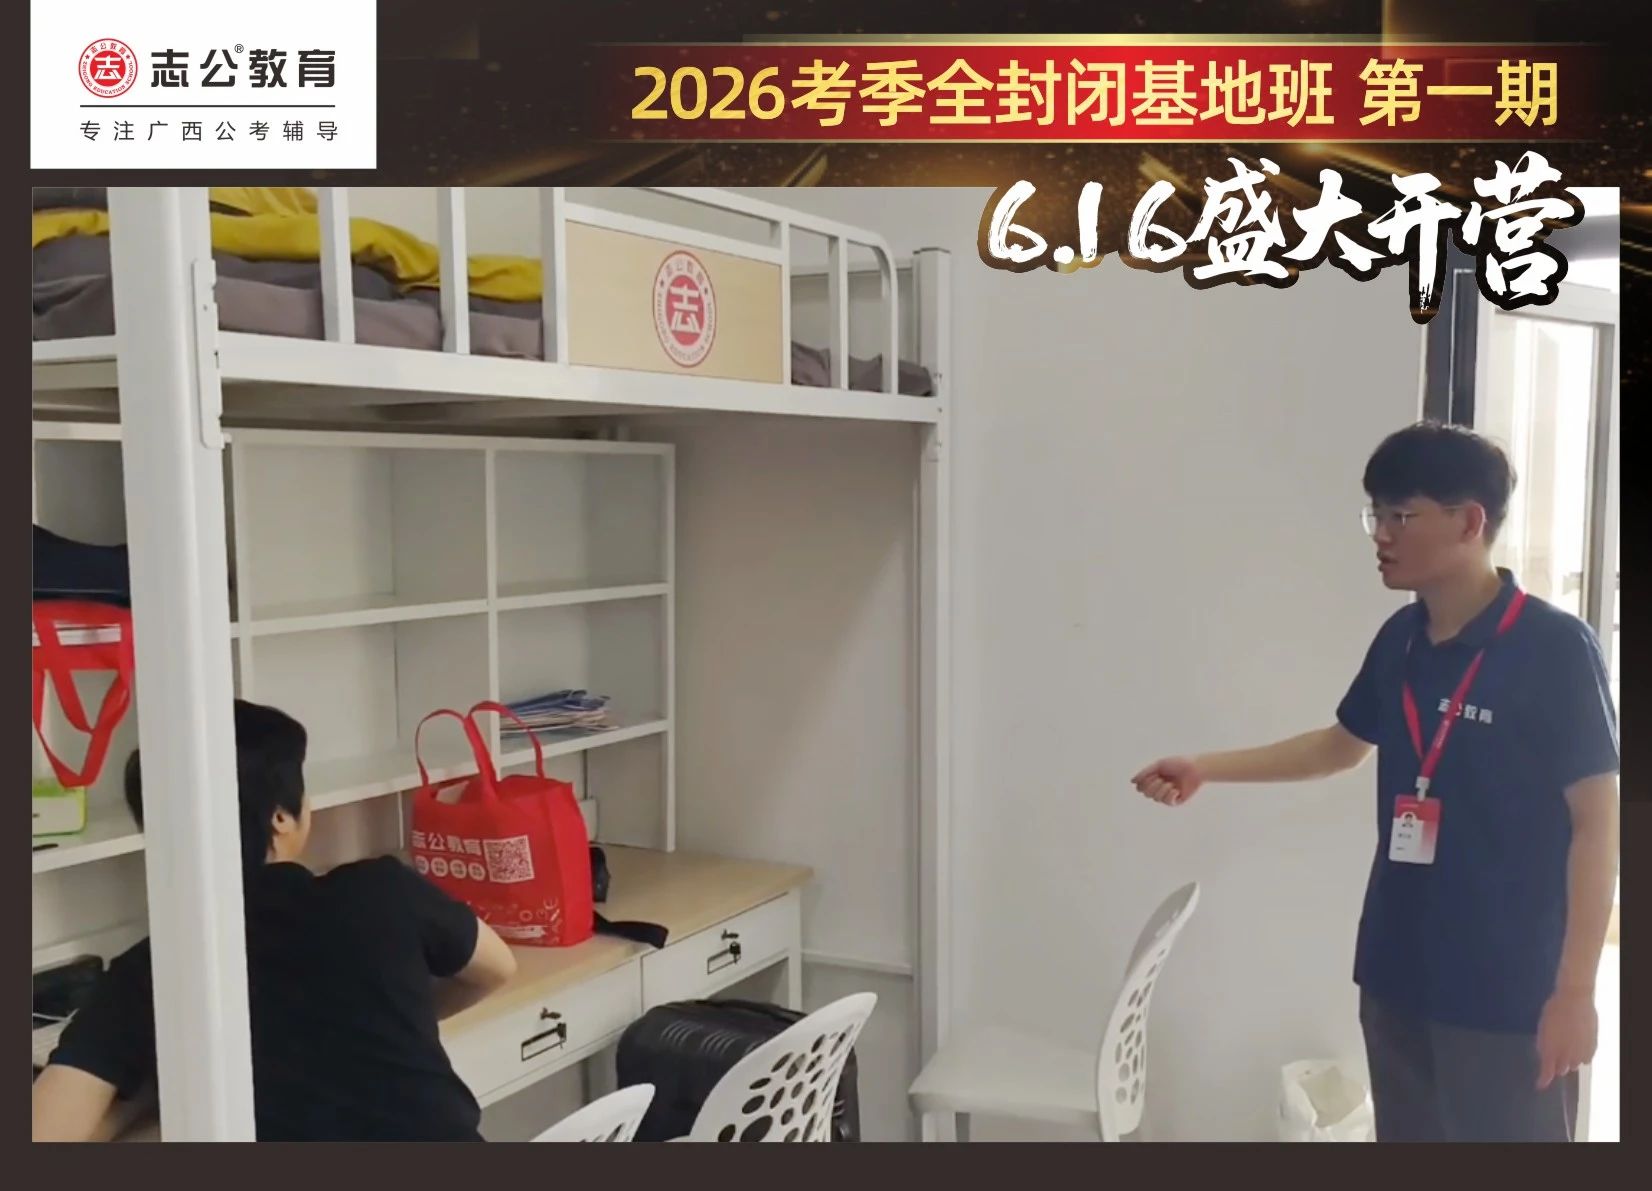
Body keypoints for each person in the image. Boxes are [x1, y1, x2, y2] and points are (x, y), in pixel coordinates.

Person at [1132, 421, 1619, 1143]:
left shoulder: (1555, 649)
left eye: (1401, 515)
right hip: (1397, 973)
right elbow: (1340, 746)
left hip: (1507, 987)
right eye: (1375, 515)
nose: (1381, 535)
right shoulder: (1401, 638)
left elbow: (1598, 823)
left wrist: (1575, 991)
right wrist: (1208, 767)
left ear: (1470, 521)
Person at [31, 700, 518, 1142]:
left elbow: (45, 1136)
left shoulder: (155, 968)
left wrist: (150, 1099)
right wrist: (387, 1018)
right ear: (281, 817)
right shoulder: (384, 891)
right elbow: (498, 968)